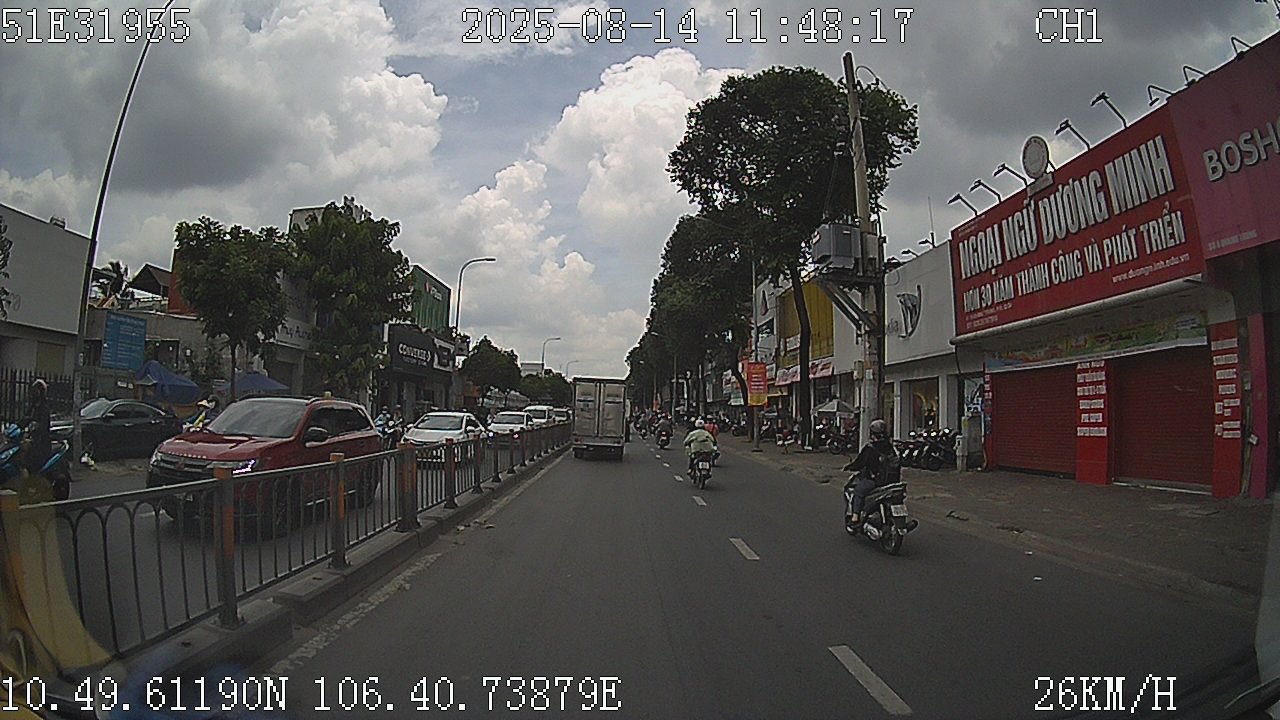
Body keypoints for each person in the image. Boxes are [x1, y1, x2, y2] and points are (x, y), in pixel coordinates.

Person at [843, 419, 898, 531]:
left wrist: (849, 467)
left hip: (876, 481)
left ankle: (855, 517)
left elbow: (860, 463)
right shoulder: (889, 447)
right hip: (893, 481)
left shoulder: (870, 448)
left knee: (858, 491)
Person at [25, 378, 51, 475]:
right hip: (32, 438)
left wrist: (35, 428)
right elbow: (26, 417)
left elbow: (44, 425)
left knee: (33, 460)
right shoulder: (33, 406)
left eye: (36, 391)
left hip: (41, 441)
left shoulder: (44, 407)